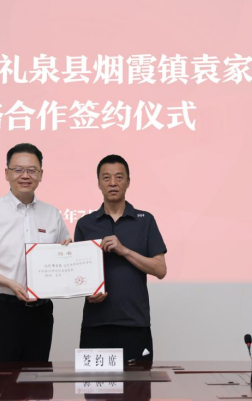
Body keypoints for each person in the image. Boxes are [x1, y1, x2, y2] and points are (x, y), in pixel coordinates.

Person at [0, 143, 71, 363]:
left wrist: (68, 253)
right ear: (7, 173)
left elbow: (64, 255)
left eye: (32, 170)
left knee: (37, 378)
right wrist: (10, 283)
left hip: (40, 312)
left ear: (41, 174)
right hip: (0, 310)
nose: (25, 175)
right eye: (18, 170)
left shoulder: (52, 214)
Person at [74, 154, 167, 363]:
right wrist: (87, 293)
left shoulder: (145, 220)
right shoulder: (85, 224)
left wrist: (124, 250)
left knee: (137, 384)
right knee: (92, 384)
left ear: (128, 182)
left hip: (135, 324)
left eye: (119, 177)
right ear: (99, 183)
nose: (113, 183)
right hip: (95, 324)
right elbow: (78, 276)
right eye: (106, 177)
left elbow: (160, 269)